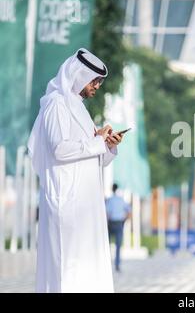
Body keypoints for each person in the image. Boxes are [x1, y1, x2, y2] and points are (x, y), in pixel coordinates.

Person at [28, 49, 125, 293]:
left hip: (86, 206)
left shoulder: (79, 108)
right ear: (79, 76)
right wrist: (97, 142)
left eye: (99, 82)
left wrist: (107, 146)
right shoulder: (56, 104)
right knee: (66, 272)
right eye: (94, 80)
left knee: (86, 273)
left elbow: (93, 159)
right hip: (66, 204)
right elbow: (60, 149)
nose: (97, 86)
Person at [106, 184, 131, 272]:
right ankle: (117, 264)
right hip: (119, 223)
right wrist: (124, 220)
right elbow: (129, 211)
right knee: (118, 245)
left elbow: (107, 213)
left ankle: (107, 264)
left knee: (107, 246)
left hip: (111, 223)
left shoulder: (110, 200)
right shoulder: (121, 200)